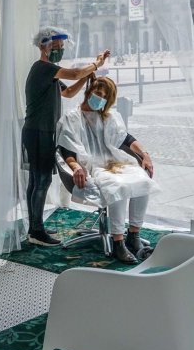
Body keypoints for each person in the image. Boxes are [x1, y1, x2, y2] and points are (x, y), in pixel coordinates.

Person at [22, 26, 109, 246]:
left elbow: (68, 92)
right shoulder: (43, 68)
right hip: (38, 132)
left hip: (40, 131)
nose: (60, 50)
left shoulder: (49, 72)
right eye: (56, 46)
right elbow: (75, 73)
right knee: (41, 180)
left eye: (61, 46)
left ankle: (34, 227)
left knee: (36, 180)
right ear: (44, 46)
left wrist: (87, 76)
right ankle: (36, 232)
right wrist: (96, 64)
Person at [57, 76, 159, 264]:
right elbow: (66, 151)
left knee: (143, 181)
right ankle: (118, 242)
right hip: (93, 166)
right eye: (98, 93)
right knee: (118, 186)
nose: (100, 99)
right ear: (89, 92)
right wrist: (76, 167)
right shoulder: (71, 118)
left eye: (105, 97)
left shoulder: (108, 117)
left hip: (115, 162)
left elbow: (126, 139)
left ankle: (133, 235)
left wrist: (145, 154)